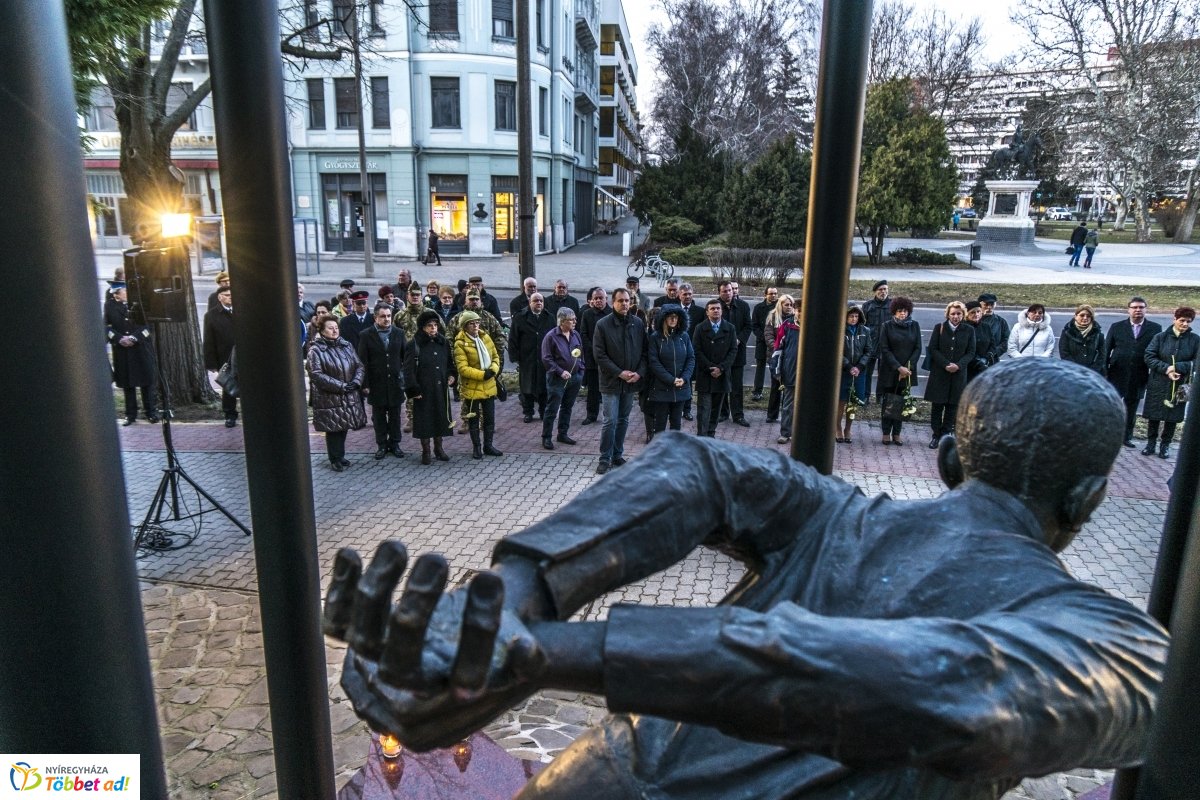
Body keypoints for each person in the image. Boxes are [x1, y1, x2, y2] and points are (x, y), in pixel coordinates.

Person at [326, 358, 1167, 800]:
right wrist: (510, 620)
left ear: (949, 459)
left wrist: (531, 633)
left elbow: (948, 690)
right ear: (1089, 499)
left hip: (605, 779)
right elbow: (697, 471)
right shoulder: (1120, 643)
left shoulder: (835, 514)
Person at [592, 288, 647, 474]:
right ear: (613, 302)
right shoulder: (603, 324)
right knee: (610, 420)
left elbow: (645, 352)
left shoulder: (638, 323)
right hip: (610, 382)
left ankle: (617, 455)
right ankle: (604, 458)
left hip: (631, 382)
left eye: (627, 300)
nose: (625, 304)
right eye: (621, 301)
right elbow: (599, 355)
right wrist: (619, 373)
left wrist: (639, 372)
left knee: (623, 420)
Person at [306, 315, 366, 472]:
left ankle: (340, 456)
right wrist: (340, 386)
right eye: (330, 328)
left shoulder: (346, 345)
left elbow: (359, 365)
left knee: (343, 425)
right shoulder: (316, 350)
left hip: (348, 393)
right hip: (329, 396)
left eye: (336, 327)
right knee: (333, 429)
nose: (334, 330)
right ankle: (334, 459)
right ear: (322, 330)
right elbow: (317, 374)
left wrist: (356, 382)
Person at [1142, 306, 1198, 459]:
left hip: (1179, 384)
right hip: (1158, 382)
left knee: (1172, 416)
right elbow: (1149, 356)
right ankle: (1150, 443)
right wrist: (1166, 368)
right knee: (1154, 414)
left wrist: (1179, 367)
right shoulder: (1160, 337)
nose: (1185, 324)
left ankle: (1165, 445)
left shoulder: (1195, 340)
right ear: (1174, 319)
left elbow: (1197, 361)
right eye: (1182, 320)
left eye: (1188, 321)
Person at [1105, 297, 1162, 447]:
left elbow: (1157, 352)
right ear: (1128, 310)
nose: (1138, 310)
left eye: (1141, 307)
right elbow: (1107, 350)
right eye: (1135, 307)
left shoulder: (1155, 328)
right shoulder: (1116, 326)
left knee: (1131, 408)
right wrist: (1105, 372)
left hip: (1139, 374)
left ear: (1145, 309)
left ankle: (1126, 437)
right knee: (1113, 406)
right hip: (1117, 373)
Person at [404, 310, 455, 465]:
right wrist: (413, 389)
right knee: (425, 420)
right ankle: (426, 450)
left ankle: (438, 449)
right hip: (423, 389)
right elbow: (408, 370)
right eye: (429, 326)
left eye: (435, 325)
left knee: (440, 417)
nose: (433, 328)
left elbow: (449, 363)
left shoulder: (443, 342)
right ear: (422, 328)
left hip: (440, 387)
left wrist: (452, 375)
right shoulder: (414, 344)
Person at [357, 302, 408, 460]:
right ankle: (381, 445)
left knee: (395, 416)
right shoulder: (366, 334)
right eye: (383, 316)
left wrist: (404, 379)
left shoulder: (399, 333)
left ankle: (395, 444)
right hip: (376, 384)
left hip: (394, 383)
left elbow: (405, 358)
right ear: (375, 317)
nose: (386, 319)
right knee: (379, 417)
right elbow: (362, 361)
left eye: (388, 316)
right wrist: (364, 384)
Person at [105, 282, 158, 426]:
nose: (125, 293)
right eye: (122, 291)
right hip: (122, 350)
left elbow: (148, 326)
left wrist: (134, 338)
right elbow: (105, 326)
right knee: (128, 384)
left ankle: (151, 413)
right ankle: (130, 415)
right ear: (116, 294)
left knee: (146, 383)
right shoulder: (109, 306)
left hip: (140, 348)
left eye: (124, 291)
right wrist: (118, 338)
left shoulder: (138, 303)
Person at [453, 310, 503, 459]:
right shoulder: (460, 343)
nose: (475, 326)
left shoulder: (484, 337)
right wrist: (482, 374)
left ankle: (488, 445)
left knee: (489, 418)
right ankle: (477, 447)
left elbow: (495, 357)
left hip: (488, 385)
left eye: (477, 322)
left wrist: (493, 370)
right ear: (465, 326)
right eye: (471, 324)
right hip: (472, 387)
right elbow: (462, 368)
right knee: (473, 419)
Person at [924, 301, 975, 449]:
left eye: (959, 314)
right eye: (953, 313)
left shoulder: (969, 330)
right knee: (937, 405)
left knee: (952, 406)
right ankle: (936, 434)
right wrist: (946, 364)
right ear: (948, 314)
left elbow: (971, 352)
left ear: (963, 315)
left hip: (958, 374)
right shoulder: (939, 328)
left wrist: (958, 365)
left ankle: (946, 434)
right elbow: (933, 349)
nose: (956, 316)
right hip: (940, 373)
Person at [876, 296, 921, 446]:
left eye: (905, 311)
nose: (903, 314)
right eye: (900, 311)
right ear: (894, 312)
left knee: (902, 401)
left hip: (907, 371)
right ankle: (885, 432)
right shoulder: (887, 326)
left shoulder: (914, 325)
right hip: (890, 370)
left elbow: (918, 348)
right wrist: (898, 367)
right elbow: (884, 349)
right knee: (889, 401)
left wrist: (908, 367)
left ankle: (897, 433)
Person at [539, 307, 585, 450]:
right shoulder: (551, 337)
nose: (575, 322)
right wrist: (560, 371)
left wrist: (581, 370)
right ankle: (546, 437)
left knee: (567, 407)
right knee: (552, 408)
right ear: (562, 321)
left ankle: (562, 433)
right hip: (557, 380)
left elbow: (581, 353)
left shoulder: (575, 334)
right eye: (572, 320)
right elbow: (546, 359)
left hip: (575, 378)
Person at [646, 304, 695, 435]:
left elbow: (691, 359)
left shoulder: (684, 336)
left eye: (676, 317)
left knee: (676, 426)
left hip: (680, 388)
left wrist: (684, 378)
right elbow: (654, 362)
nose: (673, 320)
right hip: (662, 389)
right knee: (660, 426)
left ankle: (673, 454)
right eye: (670, 317)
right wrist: (671, 379)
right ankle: (659, 454)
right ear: (663, 318)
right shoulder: (655, 338)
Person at [692, 299, 737, 438]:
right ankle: (702, 436)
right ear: (707, 312)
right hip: (706, 374)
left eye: (718, 308)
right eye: (712, 309)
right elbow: (696, 350)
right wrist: (710, 367)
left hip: (722, 375)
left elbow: (733, 350)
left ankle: (711, 434)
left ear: (722, 311)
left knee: (716, 408)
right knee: (704, 408)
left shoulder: (730, 328)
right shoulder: (700, 328)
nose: (716, 310)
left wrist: (721, 368)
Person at [509, 293, 555, 424]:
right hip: (526, 358)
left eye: (541, 301)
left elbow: (554, 338)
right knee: (526, 387)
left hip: (544, 358)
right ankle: (528, 412)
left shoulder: (549, 318)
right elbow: (513, 338)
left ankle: (543, 411)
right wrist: (515, 357)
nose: (539, 303)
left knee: (543, 387)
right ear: (530, 303)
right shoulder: (520, 318)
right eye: (535, 301)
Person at [835, 305, 874, 444]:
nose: (854, 319)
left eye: (856, 316)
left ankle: (848, 429)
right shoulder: (839, 330)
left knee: (854, 401)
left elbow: (869, 351)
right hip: (844, 371)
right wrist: (849, 366)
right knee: (841, 400)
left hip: (859, 372)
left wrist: (859, 366)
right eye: (851, 316)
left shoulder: (865, 331)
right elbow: (837, 350)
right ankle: (838, 427)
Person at [716, 281, 752, 427]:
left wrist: (739, 339)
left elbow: (748, 326)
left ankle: (738, 415)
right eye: (724, 291)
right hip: (721, 353)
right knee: (722, 384)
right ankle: (723, 413)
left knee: (737, 385)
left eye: (730, 290)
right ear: (719, 292)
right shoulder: (715, 306)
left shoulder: (743, 306)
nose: (728, 293)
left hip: (738, 352)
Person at [203, 286, 238, 427]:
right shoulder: (211, 316)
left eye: (232, 294)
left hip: (243, 356)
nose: (231, 297)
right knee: (228, 387)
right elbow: (209, 340)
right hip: (226, 357)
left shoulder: (242, 310)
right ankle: (230, 415)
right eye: (227, 295)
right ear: (220, 297)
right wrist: (211, 363)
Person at [578, 287, 610, 426]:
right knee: (593, 389)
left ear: (606, 299)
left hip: (610, 358)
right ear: (591, 300)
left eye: (601, 298)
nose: (598, 300)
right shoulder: (587, 314)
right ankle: (591, 415)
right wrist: (595, 349)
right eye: (595, 298)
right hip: (592, 359)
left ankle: (610, 416)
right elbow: (583, 334)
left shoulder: (611, 313)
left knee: (609, 389)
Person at [762, 294, 795, 425]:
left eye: (791, 305)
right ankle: (772, 414)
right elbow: (768, 335)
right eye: (786, 304)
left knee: (788, 386)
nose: (789, 307)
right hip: (775, 357)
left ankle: (786, 414)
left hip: (790, 358)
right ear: (780, 305)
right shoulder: (773, 316)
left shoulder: (795, 318)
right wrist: (778, 348)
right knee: (776, 385)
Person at [772, 302, 801, 444]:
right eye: (799, 310)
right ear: (795, 311)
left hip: (809, 375)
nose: (801, 313)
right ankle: (785, 432)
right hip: (791, 371)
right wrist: (777, 369)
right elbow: (778, 348)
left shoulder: (816, 325)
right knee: (788, 405)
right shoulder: (787, 326)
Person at [860, 279, 890, 401]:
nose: (883, 292)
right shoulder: (867, 306)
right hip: (870, 344)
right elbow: (862, 325)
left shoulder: (893, 305)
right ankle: (866, 396)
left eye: (885, 289)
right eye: (880, 290)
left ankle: (880, 396)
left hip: (886, 345)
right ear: (875, 292)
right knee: (867, 372)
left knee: (883, 373)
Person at [1058, 304, 1106, 374]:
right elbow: (1064, 354)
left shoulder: (1099, 334)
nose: (1085, 318)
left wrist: (1092, 371)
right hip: (1072, 373)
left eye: (1088, 316)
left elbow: (1102, 356)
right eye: (1082, 315)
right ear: (1075, 316)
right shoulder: (1066, 333)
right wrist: (1077, 370)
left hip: (1092, 374)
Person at [750, 287, 778, 402]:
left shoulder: (779, 307)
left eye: (775, 294)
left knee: (776, 367)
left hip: (775, 343)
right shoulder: (758, 308)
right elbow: (754, 325)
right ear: (765, 295)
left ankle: (776, 391)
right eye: (771, 294)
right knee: (760, 367)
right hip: (762, 342)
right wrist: (764, 337)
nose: (773, 296)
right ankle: (757, 391)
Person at [963, 300, 993, 384]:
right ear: (967, 314)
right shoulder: (964, 327)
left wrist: (987, 357)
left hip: (985, 366)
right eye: (972, 312)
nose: (976, 314)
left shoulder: (986, 327)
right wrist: (978, 362)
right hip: (969, 368)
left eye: (978, 311)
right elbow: (965, 348)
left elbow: (992, 344)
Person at [977, 293, 1009, 368]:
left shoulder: (1001, 321)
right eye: (986, 305)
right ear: (979, 305)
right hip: (974, 361)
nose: (989, 307)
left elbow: (1006, 340)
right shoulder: (973, 320)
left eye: (992, 304)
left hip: (993, 361)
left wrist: (993, 353)